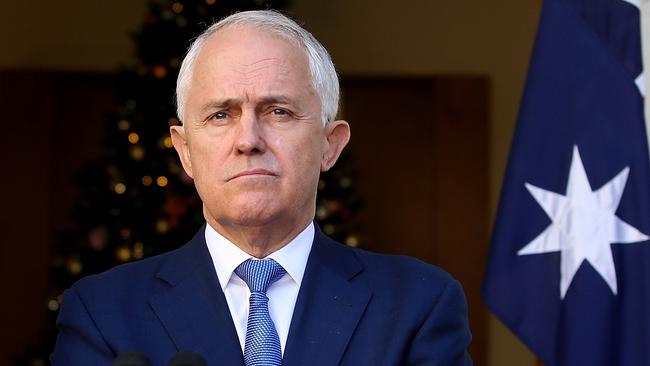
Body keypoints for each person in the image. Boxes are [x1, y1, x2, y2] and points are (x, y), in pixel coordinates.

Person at [51, 10, 472, 366]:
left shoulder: (418, 305)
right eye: (220, 115)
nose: (248, 139)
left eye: (278, 111)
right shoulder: (103, 313)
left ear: (330, 144)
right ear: (185, 153)